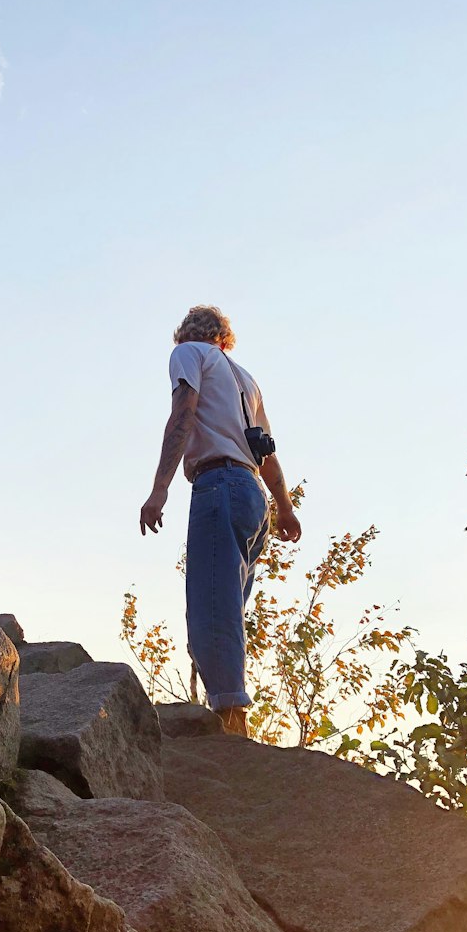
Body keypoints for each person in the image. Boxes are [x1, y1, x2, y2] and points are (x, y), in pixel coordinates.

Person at [139, 305, 301, 736]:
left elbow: (183, 414)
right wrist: (283, 507)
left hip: (217, 485)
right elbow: (265, 449)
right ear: (225, 338)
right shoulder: (246, 380)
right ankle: (230, 713)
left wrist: (160, 488)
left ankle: (231, 724)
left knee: (212, 612)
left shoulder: (188, 354)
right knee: (227, 608)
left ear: (187, 334)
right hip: (252, 495)